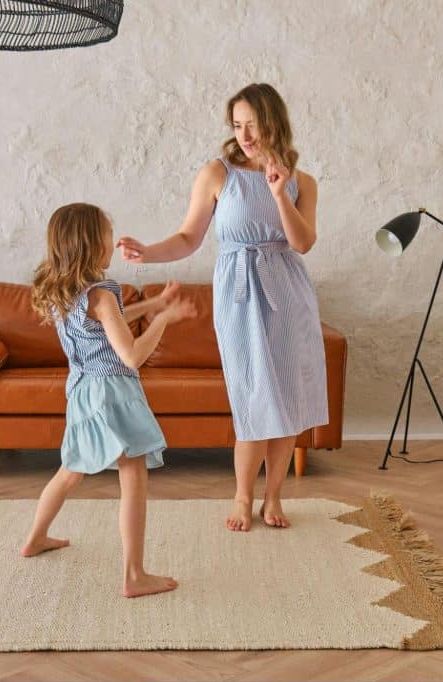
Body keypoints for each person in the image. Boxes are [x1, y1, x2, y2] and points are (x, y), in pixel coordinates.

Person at [115, 83, 327, 532]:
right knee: (252, 397)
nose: (245, 134)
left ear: (274, 122)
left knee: (286, 396)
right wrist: (147, 252)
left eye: (252, 124)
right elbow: (189, 237)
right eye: (237, 124)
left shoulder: (300, 182)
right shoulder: (218, 173)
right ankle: (242, 496)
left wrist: (277, 193)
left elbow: (302, 243)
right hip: (239, 295)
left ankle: (273, 498)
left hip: (288, 293)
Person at [22, 202, 195, 598]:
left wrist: (152, 305)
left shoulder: (62, 292)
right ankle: (134, 575)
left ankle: (35, 538)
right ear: (89, 243)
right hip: (113, 391)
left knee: (70, 469)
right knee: (132, 474)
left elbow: (107, 320)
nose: (111, 243)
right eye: (106, 235)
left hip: (82, 391)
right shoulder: (101, 293)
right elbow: (131, 354)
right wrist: (164, 320)